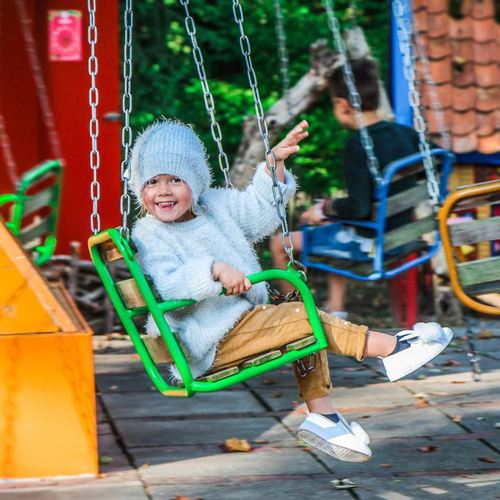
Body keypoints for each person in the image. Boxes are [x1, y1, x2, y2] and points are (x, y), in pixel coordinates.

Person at [130, 118, 453, 463]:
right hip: (206, 340)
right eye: (152, 182)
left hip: (242, 322)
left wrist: (273, 169)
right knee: (301, 318)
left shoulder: (215, 206)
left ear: (194, 179)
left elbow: (258, 216)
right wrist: (213, 270)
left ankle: (324, 417)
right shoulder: (150, 235)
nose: (163, 191)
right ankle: (391, 348)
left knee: (298, 313)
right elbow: (165, 284)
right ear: (139, 188)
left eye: (175, 179)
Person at [270, 57, 421, 318]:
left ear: (342, 105)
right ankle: (337, 309)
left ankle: (299, 318)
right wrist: (329, 212)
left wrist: (324, 208)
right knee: (330, 225)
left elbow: (359, 208)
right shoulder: (406, 133)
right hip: (406, 233)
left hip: (375, 243)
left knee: (280, 243)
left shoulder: (356, 145)